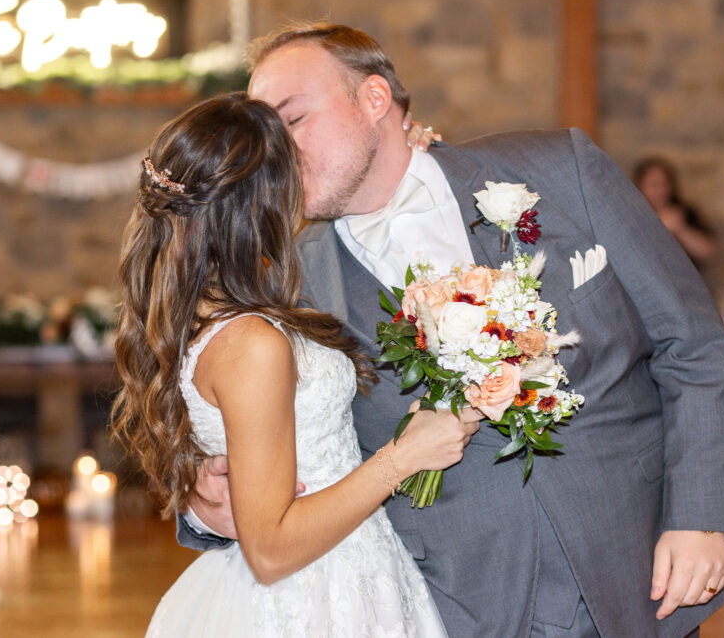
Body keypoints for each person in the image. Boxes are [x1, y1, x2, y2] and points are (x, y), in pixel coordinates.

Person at [181, 24, 724, 637]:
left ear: (374, 100)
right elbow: (268, 441)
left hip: (636, 567)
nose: (277, 152)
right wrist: (205, 506)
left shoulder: (561, 169)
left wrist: (700, 516)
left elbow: (693, 345)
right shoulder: (291, 281)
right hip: (457, 603)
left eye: (292, 120)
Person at [111, 91, 483, 636]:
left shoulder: (219, 311)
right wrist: (403, 458)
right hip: (311, 595)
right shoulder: (252, 341)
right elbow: (271, 550)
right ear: (259, 205)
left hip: (351, 567)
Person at [631, 156, 717, 268]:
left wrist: (680, 229)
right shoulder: (632, 214)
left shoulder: (684, 211)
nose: (660, 190)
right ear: (640, 187)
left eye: (664, 184)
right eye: (653, 185)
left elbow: (709, 252)